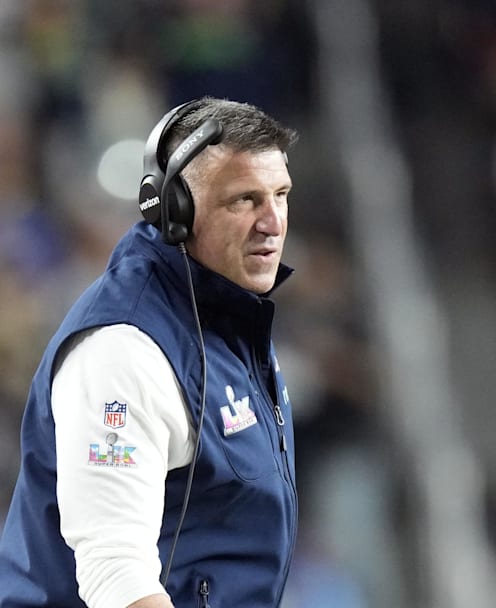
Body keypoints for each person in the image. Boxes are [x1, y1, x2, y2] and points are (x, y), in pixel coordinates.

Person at [0, 97, 299, 607]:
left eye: (281, 194)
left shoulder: (230, 320)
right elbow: (116, 575)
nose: (272, 222)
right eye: (244, 200)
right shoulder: (123, 351)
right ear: (174, 211)